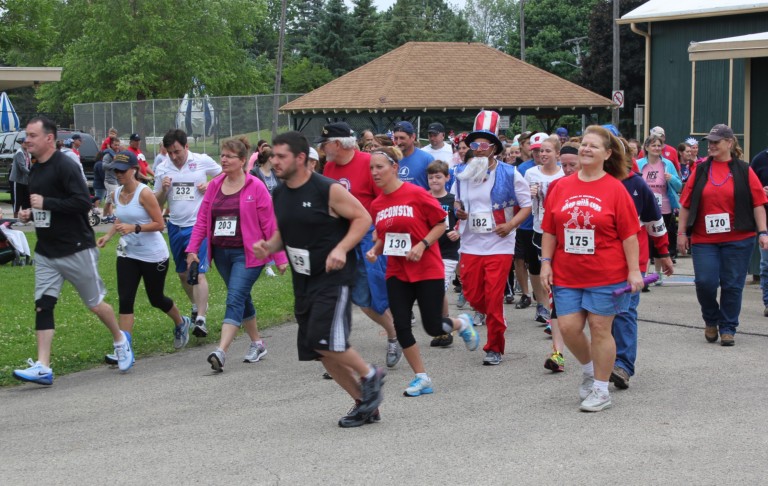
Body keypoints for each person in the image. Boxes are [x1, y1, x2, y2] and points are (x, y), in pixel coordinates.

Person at [253, 131, 386, 428]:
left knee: (327, 341)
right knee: (319, 350)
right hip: (304, 280)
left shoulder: (327, 189)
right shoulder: (280, 192)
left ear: (300, 158)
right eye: (272, 156)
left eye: (281, 156)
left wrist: (341, 248)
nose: (273, 161)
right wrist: (269, 246)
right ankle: (364, 405)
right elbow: (285, 233)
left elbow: (363, 218)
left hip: (333, 278)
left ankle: (370, 375)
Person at [12, 116, 133, 385]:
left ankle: (120, 340)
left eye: (32, 135)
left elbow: (81, 203)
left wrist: (47, 202)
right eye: (26, 136)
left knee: (95, 304)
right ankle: (43, 366)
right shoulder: (35, 168)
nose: (27, 140)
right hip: (46, 251)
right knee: (43, 305)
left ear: (48, 138)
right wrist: (29, 214)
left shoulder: (66, 166)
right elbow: (45, 208)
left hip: (76, 248)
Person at [540, 125, 644, 412]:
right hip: (567, 273)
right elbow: (549, 230)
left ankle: (600, 389)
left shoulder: (616, 189)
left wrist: (634, 270)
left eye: (593, 146)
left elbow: (629, 235)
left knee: (600, 328)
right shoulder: (560, 187)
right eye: (583, 144)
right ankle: (588, 370)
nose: (585, 149)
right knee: (569, 327)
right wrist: (546, 262)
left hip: (606, 273)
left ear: (607, 154)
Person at [367, 145, 479, 395]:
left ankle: (461, 323)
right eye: (371, 168)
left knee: (433, 327)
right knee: (402, 325)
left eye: (380, 167)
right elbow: (384, 236)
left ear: (394, 168)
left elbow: (441, 224)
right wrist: (375, 249)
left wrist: (422, 244)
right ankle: (422, 377)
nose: (374, 172)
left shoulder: (417, 194)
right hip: (397, 272)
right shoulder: (377, 205)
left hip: (426, 268)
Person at [186, 137, 288, 370]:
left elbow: (269, 225)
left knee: (234, 297)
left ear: (243, 161)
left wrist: (280, 258)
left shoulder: (256, 186)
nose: (223, 159)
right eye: (222, 155)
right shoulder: (214, 185)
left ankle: (221, 351)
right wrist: (192, 249)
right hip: (221, 253)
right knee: (242, 297)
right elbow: (203, 219)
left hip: (249, 254)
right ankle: (258, 343)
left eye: (229, 156)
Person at [318, 122, 401, 368]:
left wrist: (380, 234)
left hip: (369, 236)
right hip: (341, 238)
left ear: (337, 144)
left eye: (325, 143)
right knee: (350, 296)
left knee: (374, 297)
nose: (322, 148)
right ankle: (338, 354)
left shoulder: (369, 163)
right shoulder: (329, 167)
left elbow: (385, 199)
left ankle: (395, 335)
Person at [452, 111, 532, 366]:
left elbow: (526, 206)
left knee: (494, 297)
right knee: (474, 295)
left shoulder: (511, 173)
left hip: (499, 244)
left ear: (494, 148)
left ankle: (494, 346)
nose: (477, 149)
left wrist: (510, 225)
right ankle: (485, 318)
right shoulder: (462, 172)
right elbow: (456, 201)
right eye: (474, 144)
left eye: (483, 144)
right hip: (471, 243)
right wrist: (459, 210)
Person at [678, 124, 768, 346]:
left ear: (730, 143)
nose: (711, 145)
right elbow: (686, 204)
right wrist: (681, 233)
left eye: (716, 141)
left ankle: (728, 327)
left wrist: (763, 232)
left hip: (739, 238)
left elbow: (758, 204)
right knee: (705, 282)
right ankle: (711, 319)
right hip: (704, 239)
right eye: (709, 141)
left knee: (732, 285)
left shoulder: (745, 170)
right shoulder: (700, 170)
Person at [96, 151, 190, 360]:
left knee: (156, 298)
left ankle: (181, 322)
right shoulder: (118, 192)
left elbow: (160, 224)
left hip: (153, 256)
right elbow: (120, 218)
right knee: (125, 299)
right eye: (114, 170)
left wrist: (135, 228)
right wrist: (109, 236)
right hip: (128, 254)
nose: (118, 174)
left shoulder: (144, 193)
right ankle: (124, 348)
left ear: (134, 170)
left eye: (121, 170)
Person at [611, 139, 674, 390]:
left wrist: (663, 252)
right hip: (596, 262)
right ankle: (604, 359)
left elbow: (655, 221)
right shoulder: (592, 183)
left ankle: (623, 366)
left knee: (625, 311)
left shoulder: (636, 184)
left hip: (632, 262)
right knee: (601, 314)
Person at [155, 129, 222, 338]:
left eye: (177, 151)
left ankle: (201, 319)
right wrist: (163, 190)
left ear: (186, 147)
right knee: (183, 273)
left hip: (198, 225)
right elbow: (156, 204)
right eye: (170, 152)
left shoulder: (201, 161)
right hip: (175, 226)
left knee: (198, 271)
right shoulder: (162, 167)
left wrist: (210, 185)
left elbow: (225, 175)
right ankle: (195, 306)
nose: (174, 157)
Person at [524, 136, 565, 368]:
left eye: (548, 151)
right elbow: (525, 203)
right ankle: (550, 311)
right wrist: (531, 194)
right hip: (541, 228)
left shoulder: (564, 175)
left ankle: (557, 313)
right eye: (541, 151)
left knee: (558, 275)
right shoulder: (531, 174)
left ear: (557, 153)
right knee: (544, 272)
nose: (543, 155)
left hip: (563, 231)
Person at [513, 132, 549, 319]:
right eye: (535, 150)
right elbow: (516, 197)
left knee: (550, 266)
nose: (538, 154)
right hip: (528, 225)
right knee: (533, 265)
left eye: (542, 150)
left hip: (551, 227)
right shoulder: (524, 170)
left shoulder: (561, 170)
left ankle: (550, 303)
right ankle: (541, 304)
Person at [426, 160, 461, 348]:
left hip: (447, 251)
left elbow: (462, 221)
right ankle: (443, 326)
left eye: (438, 177)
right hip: (428, 250)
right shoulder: (423, 198)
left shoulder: (452, 200)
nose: (434, 181)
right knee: (435, 291)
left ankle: (446, 326)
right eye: (431, 178)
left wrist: (459, 231)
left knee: (438, 289)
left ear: (447, 177)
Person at [637, 133, 682, 276]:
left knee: (659, 241)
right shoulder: (639, 164)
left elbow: (679, 186)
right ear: (647, 147)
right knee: (645, 241)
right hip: (644, 208)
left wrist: (671, 179)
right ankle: (643, 273)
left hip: (664, 207)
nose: (657, 148)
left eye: (659, 145)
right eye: (653, 145)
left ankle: (657, 274)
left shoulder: (667, 164)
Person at [392, 121, 433, 190]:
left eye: (402, 138)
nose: (398, 142)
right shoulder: (391, 158)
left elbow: (435, 188)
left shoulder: (427, 159)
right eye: (396, 138)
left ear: (413, 137)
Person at [101, 136, 122, 223]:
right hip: (110, 180)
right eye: (115, 145)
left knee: (109, 201)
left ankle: (105, 217)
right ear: (111, 145)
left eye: (118, 145)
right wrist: (114, 162)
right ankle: (120, 217)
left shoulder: (119, 154)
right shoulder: (108, 155)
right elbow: (104, 166)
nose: (117, 147)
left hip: (117, 180)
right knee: (117, 198)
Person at [9, 136, 31, 219]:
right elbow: (22, 167)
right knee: (17, 199)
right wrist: (31, 173)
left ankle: (24, 217)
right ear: (21, 143)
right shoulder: (19, 153)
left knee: (25, 199)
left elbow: (29, 165)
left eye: (28, 143)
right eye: (25, 143)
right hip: (16, 180)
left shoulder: (27, 152)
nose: (27, 144)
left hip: (24, 180)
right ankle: (15, 217)